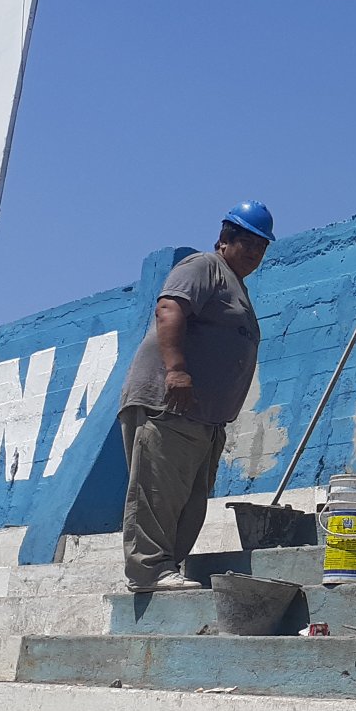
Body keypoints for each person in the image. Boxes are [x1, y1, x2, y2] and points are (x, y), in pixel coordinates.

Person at [116, 201, 274, 590]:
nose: (254, 253)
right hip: (169, 405)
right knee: (158, 492)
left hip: (203, 418)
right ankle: (148, 571)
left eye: (261, 247)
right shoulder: (203, 267)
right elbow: (169, 309)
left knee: (187, 503)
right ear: (225, 239)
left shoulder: (236, 285)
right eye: (247, 243)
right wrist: (176, 371)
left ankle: (164, 571)